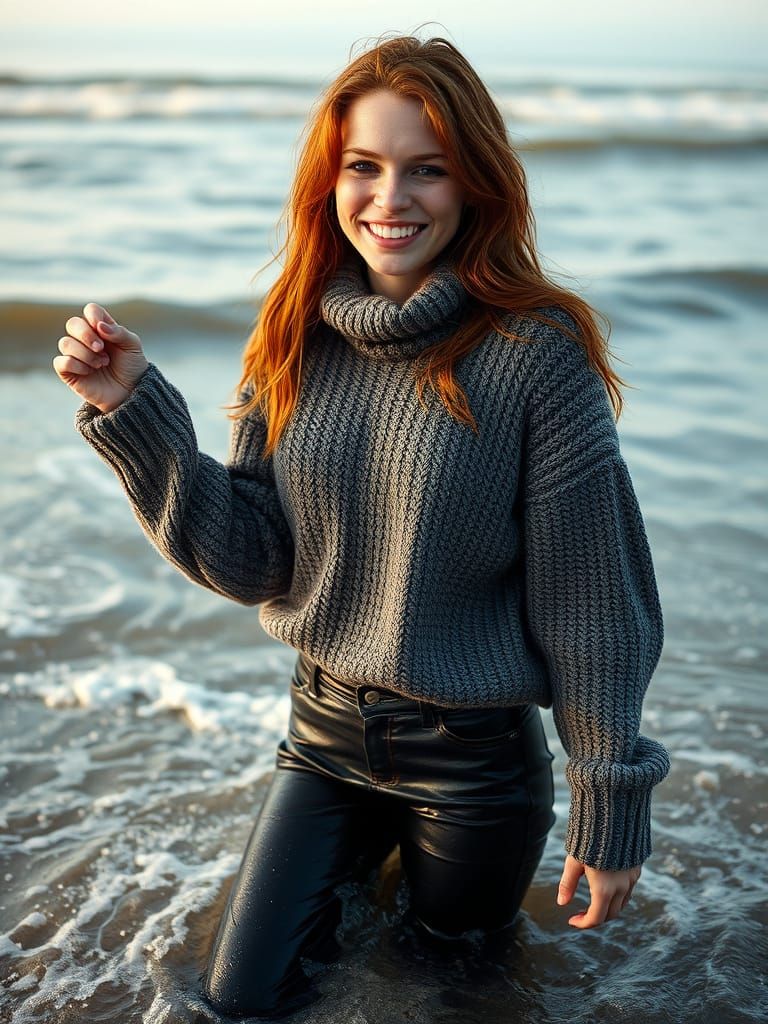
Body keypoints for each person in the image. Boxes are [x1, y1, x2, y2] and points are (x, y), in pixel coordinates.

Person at [53, 32, 670, 1021]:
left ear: (474, 184)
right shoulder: (293, 331)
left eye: (426, 170)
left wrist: (612, 795)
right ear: (328, 183)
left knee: (448, 996)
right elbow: (256, 560)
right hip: (325, 732)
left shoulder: (534, 351)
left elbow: (592, 602)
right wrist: (136, 415)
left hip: (473, 765)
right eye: (365, 167)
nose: (392, 199)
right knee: (238, 999)